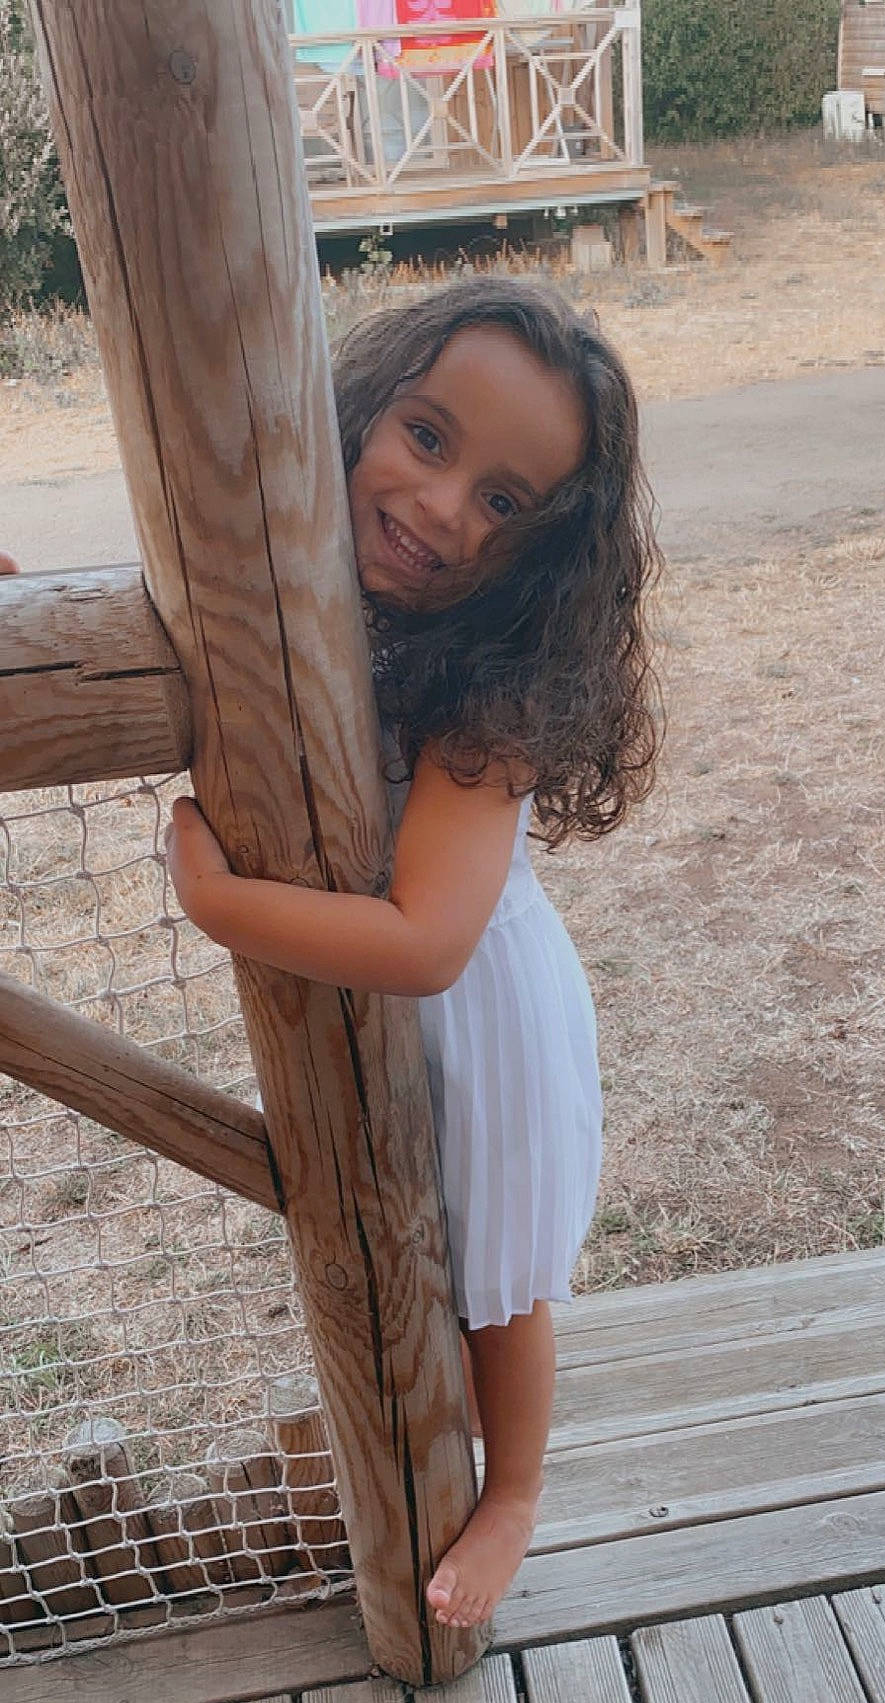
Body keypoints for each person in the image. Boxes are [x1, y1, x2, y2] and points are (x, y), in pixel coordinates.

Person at [165, 277, 661, 1629]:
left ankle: (512, 1497)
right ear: (361, 409)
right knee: (401, 1248)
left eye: (504, 501)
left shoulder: (493, 691)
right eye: (427, 438)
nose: (442, 509)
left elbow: (428, 939)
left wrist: (217, 904)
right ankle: (423, 1444)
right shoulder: (311, 581)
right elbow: (186, 625)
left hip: (485, 1012)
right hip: (381, 993)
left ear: (546, 553)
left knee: (497, 1285)